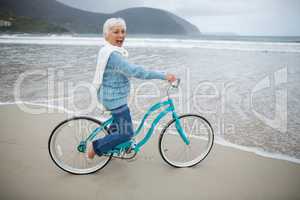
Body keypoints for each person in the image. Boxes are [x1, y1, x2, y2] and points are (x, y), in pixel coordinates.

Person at [87, 18, 176, 159]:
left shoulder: (108, 51)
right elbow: (135, 71)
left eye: (123, 32)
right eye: (116, 32)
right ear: (106, 35)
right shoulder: (113, 56)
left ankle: (115, 145)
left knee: (118, 125)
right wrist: (163, 75)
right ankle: (96, 146)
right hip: (114, 98)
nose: (121, 35)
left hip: (110, 94)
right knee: (126, 133)